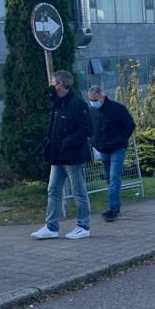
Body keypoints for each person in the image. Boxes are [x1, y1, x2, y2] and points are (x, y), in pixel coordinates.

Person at [32, 70, 92, 240]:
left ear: (61, 84)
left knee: (78, 191)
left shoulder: (77, 104)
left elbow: (87, 129)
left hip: (72, 156)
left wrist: (69, 141)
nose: (51, 85)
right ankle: (51, 226)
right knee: (53, 190)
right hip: (56, 156)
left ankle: (83, 225)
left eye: (53, 82)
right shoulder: (56, 103)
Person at [88, 86, 136, 222]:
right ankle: (115, 207)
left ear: (102, 97)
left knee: (114, 178)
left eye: (95, 99)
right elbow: (92, 127)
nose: (93, 102)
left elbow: (130, 125)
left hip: (117, 148)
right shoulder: (93, 111)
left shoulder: (117, 108)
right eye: (91, 100)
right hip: (103, 149)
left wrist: (121, 139)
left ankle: (113, 209)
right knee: (110, 179)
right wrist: (94, 142)